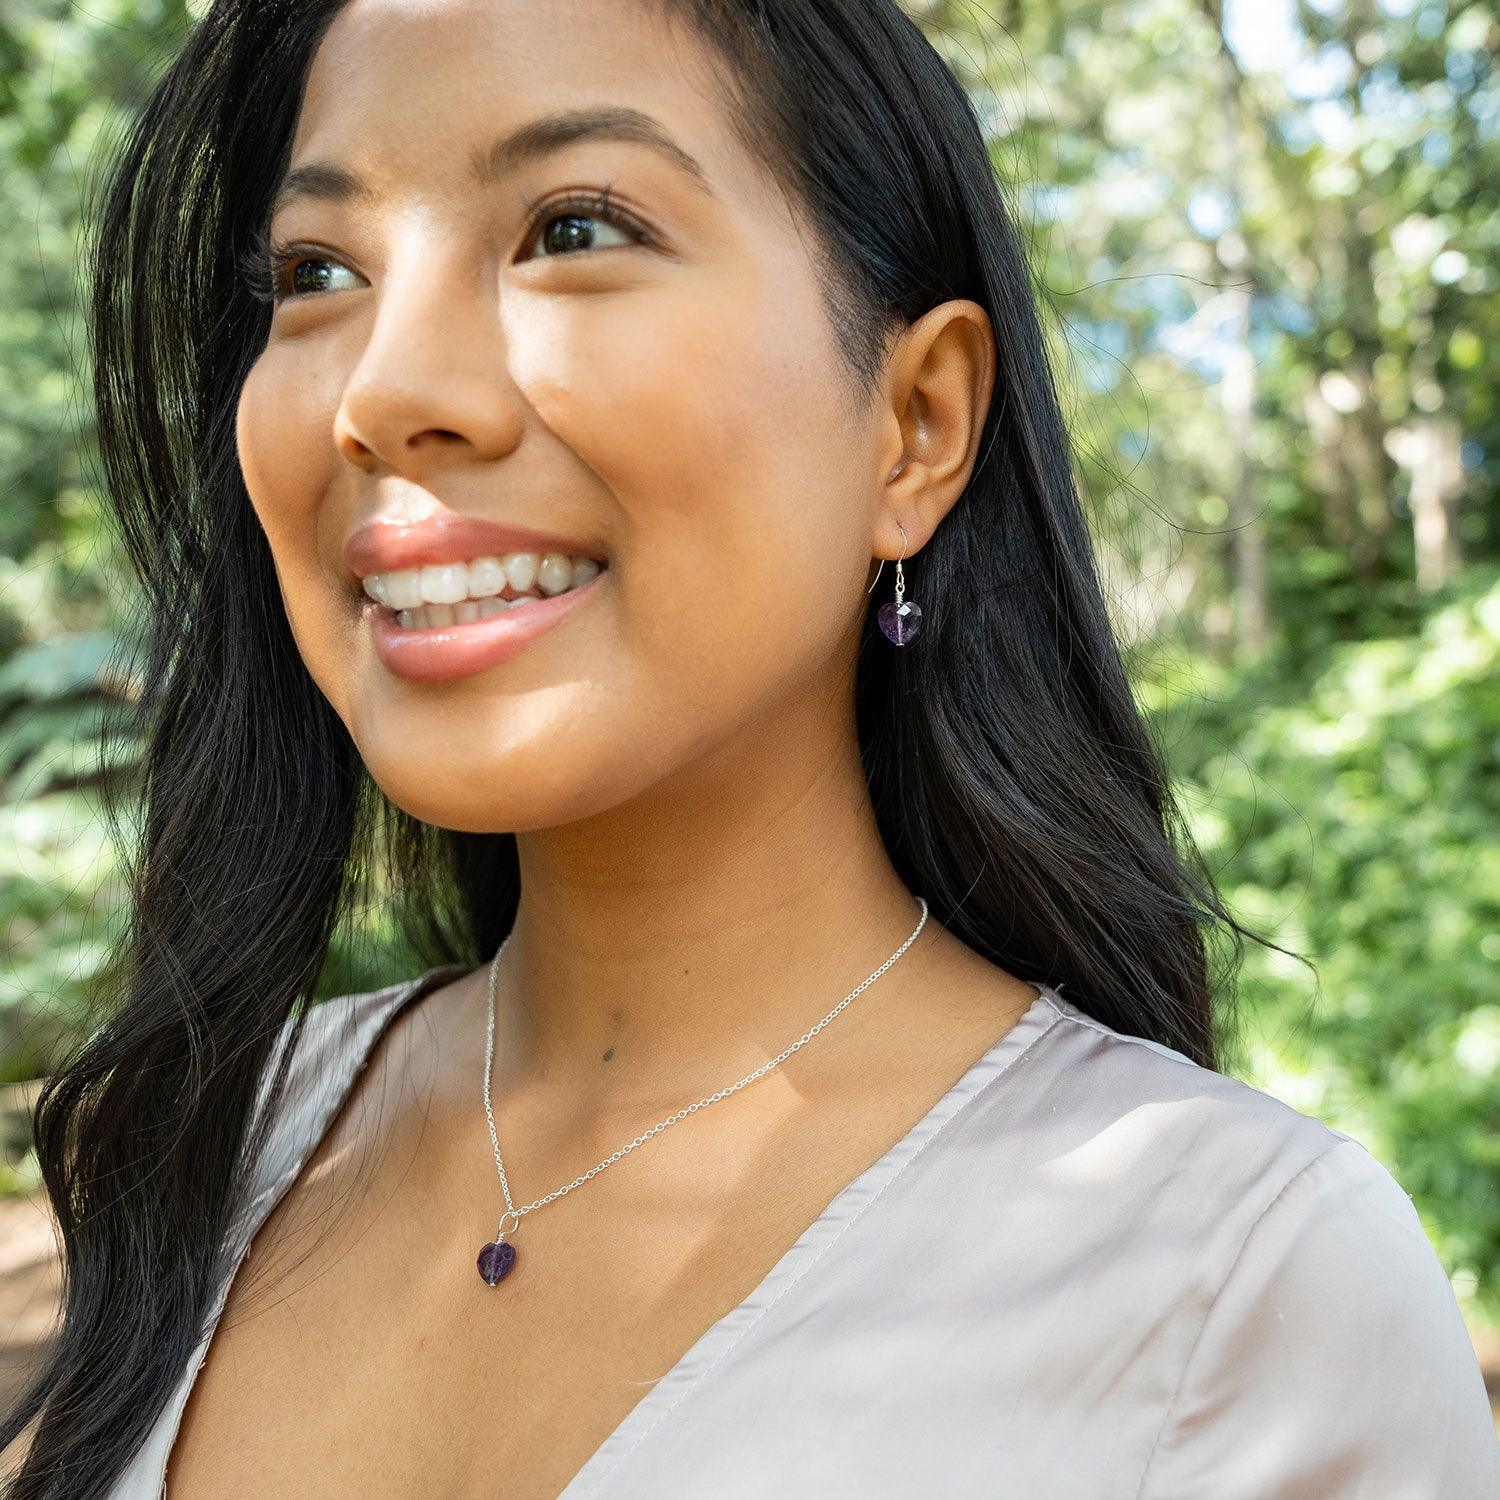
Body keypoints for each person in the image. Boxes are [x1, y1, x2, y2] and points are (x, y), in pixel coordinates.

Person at [3, 1, 1496, 1495]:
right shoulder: (212, 1144)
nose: (388, 395)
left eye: (574, 229)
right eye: (317, 272)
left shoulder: (1236, 1287)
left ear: (916, 423)